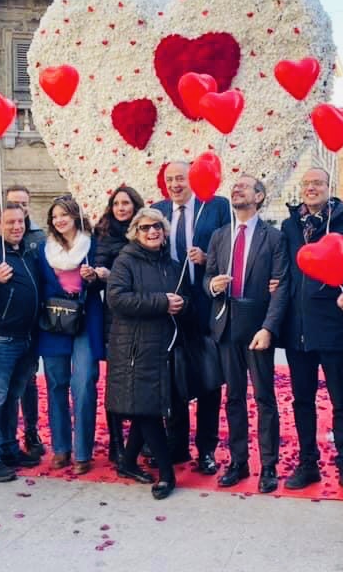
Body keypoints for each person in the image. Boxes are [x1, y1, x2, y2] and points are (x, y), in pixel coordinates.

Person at [281, 167, 343, 498]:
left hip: (334, 326)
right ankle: (307, 463)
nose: (311, 188)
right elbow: (285, 269)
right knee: (302, 400)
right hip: (297, 328)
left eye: (317, 183)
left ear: (329, 186)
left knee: (341, 400)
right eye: (306, 184)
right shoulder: (290, 225)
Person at [205, 176, 287, 493]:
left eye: (245, 186)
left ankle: (268, 466)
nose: (236, 189)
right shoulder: (219, 236)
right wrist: (212, 285)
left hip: (257, 326)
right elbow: (207, 278)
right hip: (226, 324)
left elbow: (281, 288)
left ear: (260, 196)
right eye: (234, 186)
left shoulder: (274, 238)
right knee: (234, 397)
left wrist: (268, 328)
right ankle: (239, 462)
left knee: (265, 398)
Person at [105, 208, 189, 500]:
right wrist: (161, 303)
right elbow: (116, 298)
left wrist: (181, 303)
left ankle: (127, 462)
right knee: (148, 410)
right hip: (134, 347)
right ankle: (167, 475)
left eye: (157, 227)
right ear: (135, 233)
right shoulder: (125, 260)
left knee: (147, 407)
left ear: (164, 231)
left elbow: (184, 295)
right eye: (145, 228)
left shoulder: (172, 264)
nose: (152, 232)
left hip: (164, 346)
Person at [154, 161, 230, 474]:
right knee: (173, 378)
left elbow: (230, 250)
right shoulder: (157, 210)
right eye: (170, 179)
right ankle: (177, 444)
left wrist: (209, 258)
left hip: (206, 305)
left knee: (209, 380)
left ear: (193, 179)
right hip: (170, 306)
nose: (175, 184)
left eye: (180, 178)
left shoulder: (216, 206)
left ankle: (207, 449)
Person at [0, 202, 44, 482]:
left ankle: (9, 447)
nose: (16, 227)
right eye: (10, 222)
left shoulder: (25, 251)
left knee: (12, 398)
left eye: (20, 222)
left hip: (25, 337)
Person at [35, 196, 105, 475]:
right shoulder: (43, 250)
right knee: (55, 384)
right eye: (55, 216)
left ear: (75, 216)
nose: (59, 220)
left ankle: (82, 451)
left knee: (85, 383)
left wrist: (95, 276)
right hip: (54, 321)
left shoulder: (92, 245)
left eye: (64, 214)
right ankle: (61, 447)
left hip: (85, 319)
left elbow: (107, 275)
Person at [93, 185, 145, 464]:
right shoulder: (104, 234)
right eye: (116, 204)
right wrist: (103, 274)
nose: (121, 208)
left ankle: (143, 437)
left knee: (143, 379)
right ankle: (116, 441)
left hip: (146, 314)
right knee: (116, 381)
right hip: (116, 317)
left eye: (126, 203)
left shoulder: (146, 231)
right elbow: (99, 266)